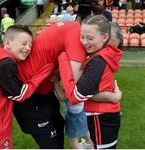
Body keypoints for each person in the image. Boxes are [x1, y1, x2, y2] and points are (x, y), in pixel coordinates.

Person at [13, 2, 122, 149]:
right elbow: (78, 89)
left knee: (60, 132)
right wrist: (111, 97)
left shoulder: (81, 39)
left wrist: (62, 64)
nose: (105, 51)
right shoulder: (77, 37)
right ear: (103, 37)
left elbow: (77, 91)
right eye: (85, 37)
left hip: (41, 92)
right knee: (55, 141)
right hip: (31, 94)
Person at [0, 25, 55, 149]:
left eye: (30, 45)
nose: (27, 48)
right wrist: (44, 72)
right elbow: (20, 94)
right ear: (7, 42)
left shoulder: (2, 58)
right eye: (24, 43)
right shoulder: (6, 63)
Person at [58, 15, 123, 149]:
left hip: (100, 117)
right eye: (82, 37)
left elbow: (76, 96)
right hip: (99, 115)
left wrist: (63, 60)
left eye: (90, 38)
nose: (84, 42)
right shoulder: (100, 54)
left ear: (105, 37)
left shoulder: (98, 61)